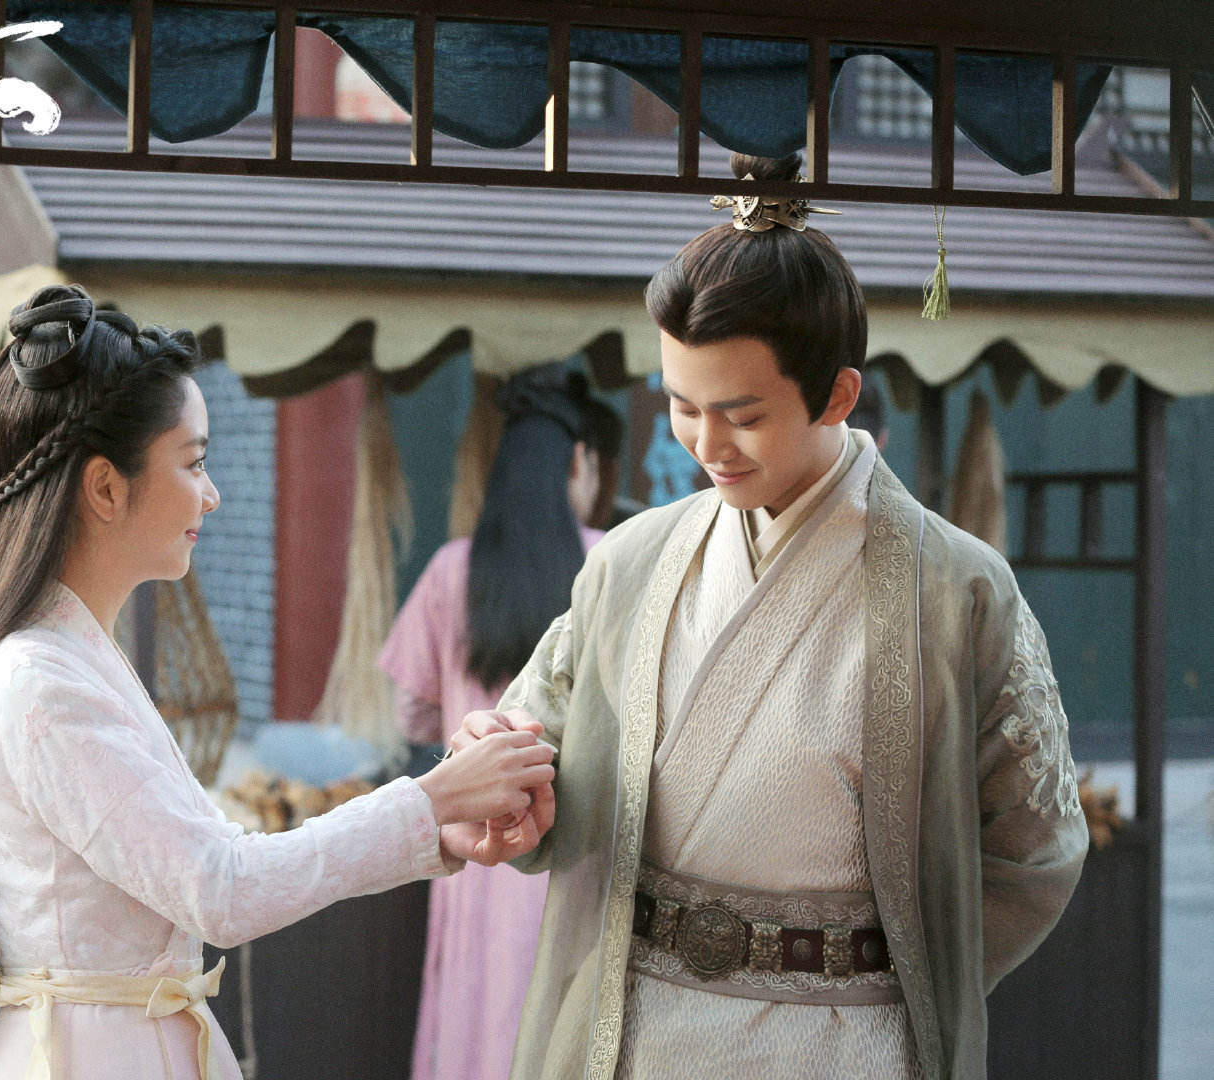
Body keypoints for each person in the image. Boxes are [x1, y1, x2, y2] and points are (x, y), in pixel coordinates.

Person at [453, 154, 1087, 1080]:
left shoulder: (957, 591)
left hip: (851, 1041)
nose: (707, 444)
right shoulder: (630, 564)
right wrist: (508, 785)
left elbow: (1035, 850)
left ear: (838, 394)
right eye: (682, 407)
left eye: (742, 415)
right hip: (638, 1038)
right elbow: (538, 747)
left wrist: (915, 976)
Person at [0, 285, 557, 1080]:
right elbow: (220, 887)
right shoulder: (40, 681)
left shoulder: (68, 660)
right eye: (193, 462)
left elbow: (212, 866)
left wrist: (436, 828)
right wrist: (430, 800)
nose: (211, 495)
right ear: (106, 488)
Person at [378, 366, 621, 1080]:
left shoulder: (451, 570)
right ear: (579, 463)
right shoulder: (609, 563)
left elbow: (410, 711)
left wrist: (465, 720)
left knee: (474, 1019)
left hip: (477, 844)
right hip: (577, 847)